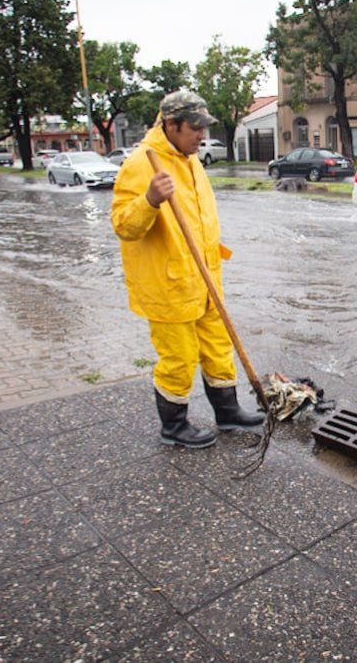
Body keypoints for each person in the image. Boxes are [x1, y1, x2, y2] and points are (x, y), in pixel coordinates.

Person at [109, 90, 263, 449]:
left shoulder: (191, 160)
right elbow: (123, 226)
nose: (201, 136)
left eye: (203, 128)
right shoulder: (141, 164)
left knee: (217, 347)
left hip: (206, 277)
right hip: (169, 284)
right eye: (194, 128)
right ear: (172, 125)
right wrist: (149, 200)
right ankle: (174, 427)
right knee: (178, 358)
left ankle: (228, 412)